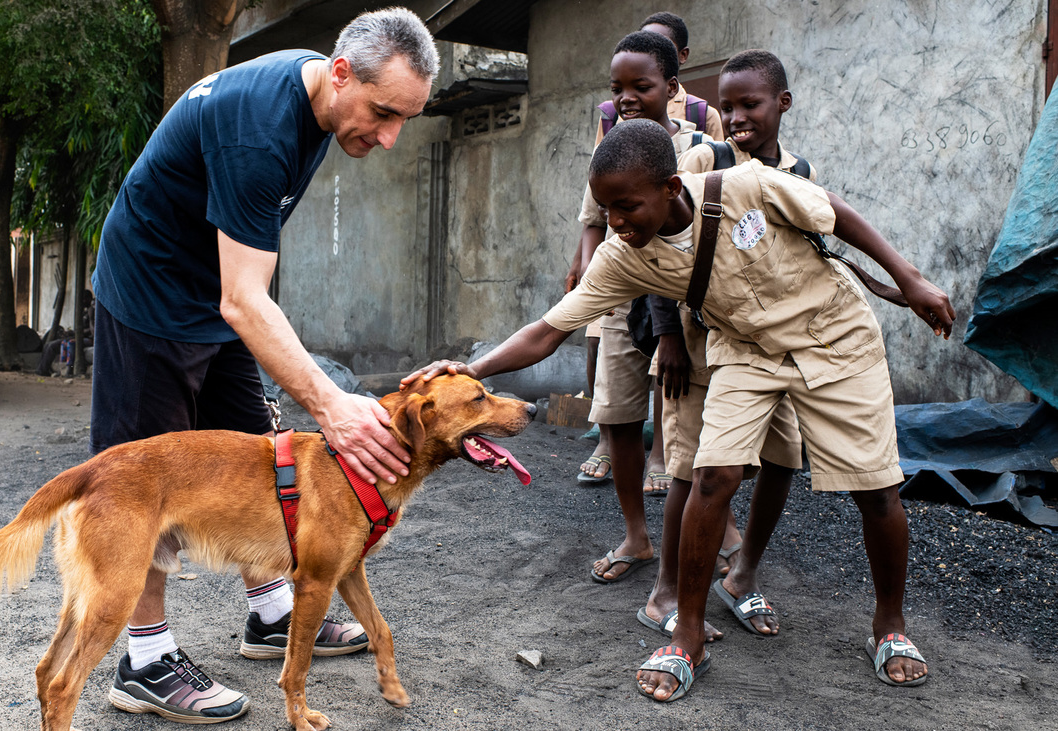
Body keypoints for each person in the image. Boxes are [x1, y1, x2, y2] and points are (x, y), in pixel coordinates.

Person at [405, 118, 950, 701]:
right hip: (745, 349)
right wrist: (471, 370)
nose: (615, 222)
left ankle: (888, 626)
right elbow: (548, 330)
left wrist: (910, 280)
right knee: (708, 478)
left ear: (669, 187)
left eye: (626, 206)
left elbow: (834, 211)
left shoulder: (747, 186)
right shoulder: (623, 257)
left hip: (834, 338)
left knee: (877, 490)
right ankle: (686, 635)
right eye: (606, 208)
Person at [88, 8, 438, 724]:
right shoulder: (260, 131)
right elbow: (245, 298)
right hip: (150, 294)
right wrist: (332, 404)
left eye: (405, 118)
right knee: (147, 489)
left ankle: (272, 612)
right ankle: (146, 660)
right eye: (382, 113)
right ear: (341, 75)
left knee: (262, 454)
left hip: (214, 301)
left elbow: (243, 287)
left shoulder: (320, 101)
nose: (390, 135)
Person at [640, 49, 813, 640]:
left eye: (750, 104)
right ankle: (664, 591)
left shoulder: (799, 172)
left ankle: (741, 576)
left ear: (781, 104)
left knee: (781, 460)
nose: (737, 117)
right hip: (697, 342)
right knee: (691, 470)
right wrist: (667, 338)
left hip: (769, 348)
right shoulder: (703, 158)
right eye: (728, 106)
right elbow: (661, 250)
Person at [566, 31, 704, 584]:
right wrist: (585, 287)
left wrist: (670, 332)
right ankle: (636, 536)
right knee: (619, 414)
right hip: (621, 302)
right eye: (616, 88)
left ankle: (708, 531)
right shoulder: (610, 147)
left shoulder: (697, 144)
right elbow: (595, 222)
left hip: (683, 312)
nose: (625, 97)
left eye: (639, 86)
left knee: (686, 419)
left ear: (671, 88)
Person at [638, 11, 724, 141]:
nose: (651, 56)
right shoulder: (615, 113)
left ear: (683, 55)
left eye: (662, 49)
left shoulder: (703, 115)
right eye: (643, 47)